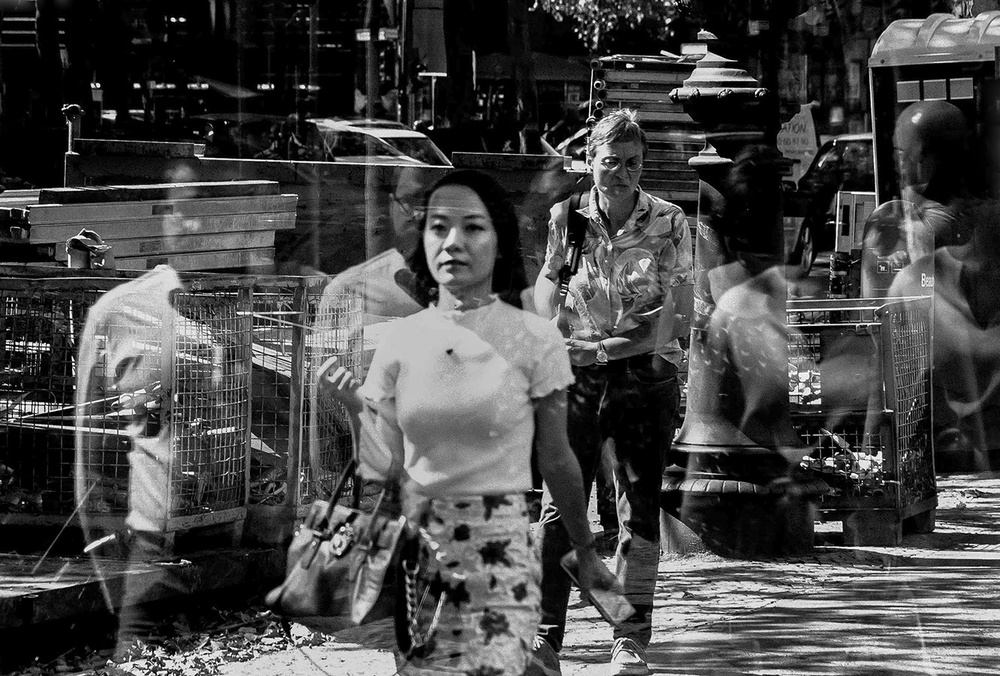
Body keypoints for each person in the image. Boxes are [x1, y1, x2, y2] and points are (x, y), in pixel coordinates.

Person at [318, 169, 619, 676]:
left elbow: (557, 458)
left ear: (498, 242)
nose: (453, 242)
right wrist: (353, 404)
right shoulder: (402, 341)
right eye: (439, 227)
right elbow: (387, 465)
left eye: (473, 227)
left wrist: (585, 550)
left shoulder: (534, 340)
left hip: (498, 557)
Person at [531, 108, 693, 676]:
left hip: (644, 378)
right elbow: (550, 278)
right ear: (589, 162)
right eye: (610, 162)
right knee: (559, 507)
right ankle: (545, 640)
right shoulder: (567, 217)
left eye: (632, 163)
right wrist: (544, 329)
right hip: (574, 380)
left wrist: (600, 350)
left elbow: (677, 313)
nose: (621, 173)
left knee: (637, 510)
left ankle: (628, 641)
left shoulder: (670, 221)